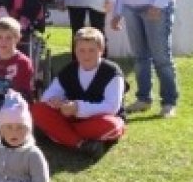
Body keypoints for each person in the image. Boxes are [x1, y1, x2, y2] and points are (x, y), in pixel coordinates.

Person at [31, 27, 125, 158]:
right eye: (81, 50)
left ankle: (59, 134)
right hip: (71, 118)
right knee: (38, 109)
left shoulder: (112, 72)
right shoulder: (69, 69)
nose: (86, 55)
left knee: (112, 124)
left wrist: (78, 107)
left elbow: (112, 107)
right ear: (75, 51)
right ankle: (80, 144)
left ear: (101, 50)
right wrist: (57, 102)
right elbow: (48, 96)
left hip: (97, 119)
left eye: (92, 50)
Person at [0, 17, 34, 137]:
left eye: (9, 38)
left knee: (13, 104)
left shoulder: (23, 62)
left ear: (17, 39)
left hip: (16, 99)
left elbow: (20, 93)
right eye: (0, 37)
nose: (3, 42)